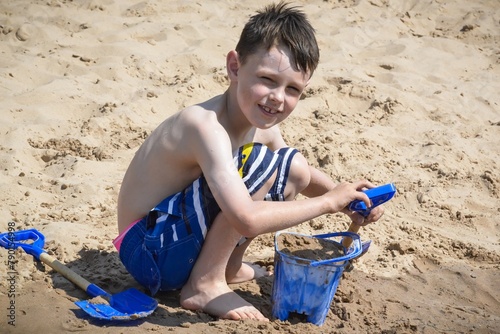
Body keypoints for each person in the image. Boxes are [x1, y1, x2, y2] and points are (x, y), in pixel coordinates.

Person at [114, 2, 384, 321]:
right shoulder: (205, 126)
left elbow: (297, 174)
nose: (277, 97)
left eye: (293, 89)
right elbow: (246, 219)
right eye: (267, 79)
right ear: (234, 67)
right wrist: (327, 203)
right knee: (260, 167)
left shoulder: (258, 124)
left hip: (167, 242)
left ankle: (223, 267)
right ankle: (205, 283)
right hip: (147, 250)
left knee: (288, 165)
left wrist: (347, 198)